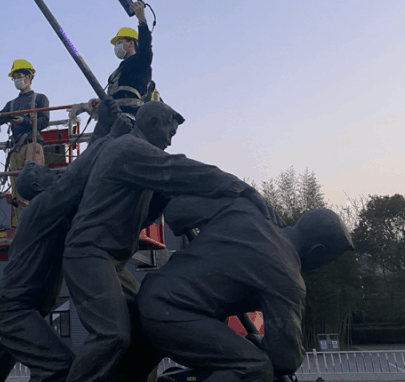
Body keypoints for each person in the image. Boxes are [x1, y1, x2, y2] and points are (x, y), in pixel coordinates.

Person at [62, 101, 275, 382]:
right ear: (153, 124)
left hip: (112, 261)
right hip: (89, 253)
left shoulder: (137, 159)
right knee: (111, 334)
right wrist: (242, 188)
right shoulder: (129, 149)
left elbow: (144, 211)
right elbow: (179, 169)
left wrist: (165, 198)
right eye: (169, 133)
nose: (170, 141)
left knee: (148, 326)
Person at [0, 99, 131, 382]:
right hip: (13, 310)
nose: (55, 173)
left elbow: (79, 177)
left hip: (10, 309)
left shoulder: (49, 210)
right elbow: (76, 178)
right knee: (58, 367)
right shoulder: (43, 206)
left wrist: (103, 128)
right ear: (37, 186)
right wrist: (109, 134)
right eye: (48, 172)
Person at [136, 203, 354, 382]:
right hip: (172, 311)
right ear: (318, 252)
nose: (323, 267)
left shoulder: (251, 217)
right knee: (253, 367)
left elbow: (181, 211)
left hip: (152, 292)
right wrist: (263, 343)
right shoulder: (286, 274)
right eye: (328, 261)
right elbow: (285, 357)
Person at [0, 59, 50, 222]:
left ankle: (38, 223)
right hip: (15, 149)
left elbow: (44, 122)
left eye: (19, 76)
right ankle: (22, 224)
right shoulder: (11, 104)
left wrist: (25, 121)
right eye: (14, 77)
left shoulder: (40, 99)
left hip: (32, 145)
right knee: (17, 192)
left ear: (28, 77)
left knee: (33, 185)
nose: (16, 80)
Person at [107, 0, 154, 115]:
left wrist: (142, 21)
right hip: (113, 116)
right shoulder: (116, 73)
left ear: (131, 43)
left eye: (119, 42)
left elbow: (145, 48)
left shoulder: (140, 62)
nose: (116, 47)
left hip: (131, 115)